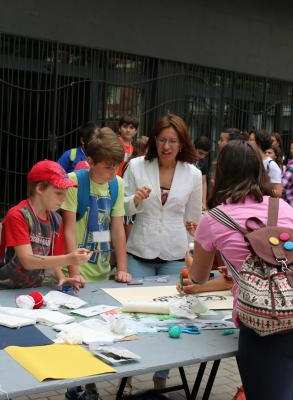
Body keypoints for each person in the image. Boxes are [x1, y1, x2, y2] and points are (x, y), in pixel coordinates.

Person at [189, 140, 293, 400]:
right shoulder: (285, 208)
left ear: (220, 172)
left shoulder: (213, 219)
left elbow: (198, 277)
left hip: (268, 326)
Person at [123, 113, 201, 390]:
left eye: (173, 141)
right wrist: (136, 200)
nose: (166, 146)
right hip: (140, 252)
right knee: (134, 317)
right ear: (154, 140)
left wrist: (193, 243)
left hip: (174, 254)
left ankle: (161, 379)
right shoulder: (135, 166)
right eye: (162, 140)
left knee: (172, 317)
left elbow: (194, 220)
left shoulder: (193, 174)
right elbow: (123, 209)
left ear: (182, 144)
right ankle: (127, 376)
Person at [0, 160, 90, 290]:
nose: (63, 199)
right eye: (58, 193)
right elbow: (27, 260)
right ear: (39, 188)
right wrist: (69, 259)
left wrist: (61, 276)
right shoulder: (18, 215)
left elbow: (52, 256)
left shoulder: (56, 219)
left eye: (65, 193)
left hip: (29, 288)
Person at [62, 130, 131, 284]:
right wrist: (74, 273)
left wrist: (122, 269)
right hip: (73, 271)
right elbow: (69, 230)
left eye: (116, 166)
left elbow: (118, 229)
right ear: (91, 162)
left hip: (102, 271)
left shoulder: (117, 184)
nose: (113, 172)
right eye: (108, 167)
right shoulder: (74, 181)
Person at [254, 129, 282, 197]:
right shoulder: (249, 160)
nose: (248, 142)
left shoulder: (272, 166)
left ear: (259, 144)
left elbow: (278, 193)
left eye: (251, 140)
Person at [194, 135, 212, 209]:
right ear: (193, 147)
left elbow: (203, 182)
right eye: (200, 153)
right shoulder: (184, 160)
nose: (202, 157)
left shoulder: (202, 162)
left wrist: (203, 202)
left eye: (205, 154)